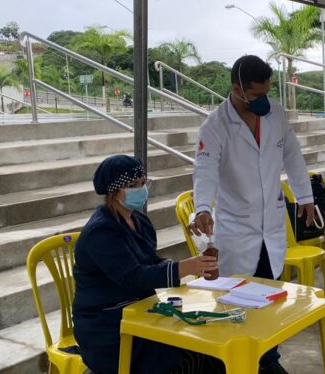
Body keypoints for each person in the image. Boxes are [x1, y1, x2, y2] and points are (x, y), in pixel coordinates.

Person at [188, 55, 314, 374]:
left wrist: (306, 197)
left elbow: (293, 156)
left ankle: (267, 360)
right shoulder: (216, 125)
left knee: (269, 300)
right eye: (256, 94)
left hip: (270, 227)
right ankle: (235, 364)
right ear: (237, 89)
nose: (263, 100)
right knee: (235, 305)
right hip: (235, 230)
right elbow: (205, 168)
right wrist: (203, 206)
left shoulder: (275, 115)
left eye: (267, 92)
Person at [73, 155, 225, 374]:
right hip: (107, 324)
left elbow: (150, 262)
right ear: (114, 191)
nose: (140, 189)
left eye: (143, 183)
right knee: (182, 359)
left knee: (208, 347)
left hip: (140, 311)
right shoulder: (101, 232)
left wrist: (188, 266)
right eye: (132, 185)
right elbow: (133, 277)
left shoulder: (139, 221)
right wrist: (185, 267)